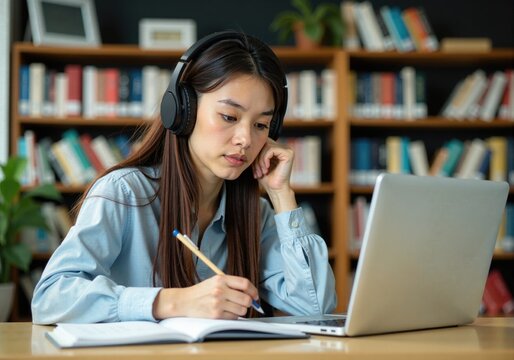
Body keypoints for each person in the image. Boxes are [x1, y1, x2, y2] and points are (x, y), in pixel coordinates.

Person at [31, 31, 337, 324]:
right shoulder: (123, 193)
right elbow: (50, 298)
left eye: (261, 125)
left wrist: (282, 194)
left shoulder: (256, 214)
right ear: (183, 111)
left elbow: (314, 307)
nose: (245, 138)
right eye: (229, 117)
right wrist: (173, 302)